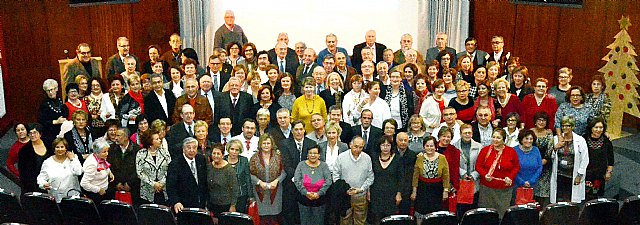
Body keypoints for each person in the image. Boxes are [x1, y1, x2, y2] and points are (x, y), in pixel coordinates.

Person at [476, 129, 520, 217]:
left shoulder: (511, 151)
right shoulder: (485, 150)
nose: (495, 140)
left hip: (504, 189)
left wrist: (510, 177)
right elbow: (478, 166)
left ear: (504, 140)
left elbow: (516, 167)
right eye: (494, 137)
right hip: (487, 189)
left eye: (498, 138)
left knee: (502, 214)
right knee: (486, 214)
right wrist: (485, 175)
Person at [331, 137, 375, 225]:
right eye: (356, 146)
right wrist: (344, 189)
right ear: (350, 145)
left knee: (360, 221)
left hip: (361, 196)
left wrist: (362, 189)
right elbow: (335, 175)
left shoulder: (367, 158)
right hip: (345, 196)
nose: (358, 149)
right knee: (345, 220)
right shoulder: (341, 157)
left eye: (361, 147)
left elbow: (370, 177)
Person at [550, 116, 589, 203]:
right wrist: (556, 147)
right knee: (558, 199)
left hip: (572, 175)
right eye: (563, 126)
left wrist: (579, 175)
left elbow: (585, 159)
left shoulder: (580, 140)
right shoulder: (556, 139)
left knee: (570, 200)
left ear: (572, 127)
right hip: (559, 174)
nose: (565, 128)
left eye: (568, 126)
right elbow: (551, 156)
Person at [411, 136, 449, 223]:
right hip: (422, 189)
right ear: (424, 147)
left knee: (435, 215)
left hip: (437, 190)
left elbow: (446, 176)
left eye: (431, 146)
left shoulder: (442, 158)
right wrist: (414, 191)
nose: (429, 148)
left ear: (435, 147)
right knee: (421, 213)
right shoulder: (419, 158)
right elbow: (415, 176)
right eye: (427, 146)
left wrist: (445, 191)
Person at [250, 134, 286, 223]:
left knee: (274, 218)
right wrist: (259, 182)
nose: (266, 145)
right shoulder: (254, 158)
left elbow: (284, 172)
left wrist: (277, 181)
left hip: (275, 191)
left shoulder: (278, 157)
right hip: (259, 192)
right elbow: (250, 174)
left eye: (268, 143)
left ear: (272, 144)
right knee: (262, 218)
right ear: (260, 144)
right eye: (264, 143)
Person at [167, 137, 209, 213]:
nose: (192, 150)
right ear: (183, 149)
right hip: (183, 205)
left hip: (200, 204)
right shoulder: (175, 164)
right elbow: (171, 186)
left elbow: (204, 182)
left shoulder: (201, 159)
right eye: (189, 148)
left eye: (194, 148)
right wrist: (176, 202)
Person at [294, 145, 333, 225]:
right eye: (310, 153)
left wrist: (319, 193)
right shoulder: (301, 165)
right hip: (303, 199)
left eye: (315, 153)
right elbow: (297, 180)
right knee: (305, 222)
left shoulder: (324, 166)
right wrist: (305, 192)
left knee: (318, 222)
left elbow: (328, 180)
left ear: (319, 155)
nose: (312, 155)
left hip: (319, 200)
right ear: (307, 155)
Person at [369, 136, 403, 224]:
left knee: (389, 220)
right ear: (379, 146)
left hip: (391, 194)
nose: (385, 147)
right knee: (376, 219)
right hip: (376, 193)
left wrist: (399, 193)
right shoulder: (373, 158)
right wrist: (368, 191)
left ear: (391, 146)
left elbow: (401, 178)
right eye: (383, 145)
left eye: (388, 145)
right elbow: (369, 175)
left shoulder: (397, 159)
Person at [37, 138, 83, 202]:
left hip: (73, 197)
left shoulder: (73, 158)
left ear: (66, 148)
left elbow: (79, 172)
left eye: (62, 147)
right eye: (57, 147)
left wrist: (72, 159)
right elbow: (41, 179)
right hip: (55, 198)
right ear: (54, 149)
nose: (60, 149)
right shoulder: (47, 162)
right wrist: (44, 184)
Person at [453, 124, 483, 215]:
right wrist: (463, 173)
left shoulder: (479, 147)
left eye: (469, 133)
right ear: (460, 134)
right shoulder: (454, 147)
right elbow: (452, 165)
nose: (467, 135)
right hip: (460, 183)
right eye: (465, 133)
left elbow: (481, 164)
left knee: (473, 212)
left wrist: (474, 175)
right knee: (461, 211)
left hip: (475, 184)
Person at [136, 129, 171, 205]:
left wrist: (161, 183)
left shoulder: (164, 152)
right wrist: (153, 184)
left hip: (163, 189)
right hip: (147, 191)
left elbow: (170, 169)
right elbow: (140, 172)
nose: (160, 140)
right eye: (157, 139)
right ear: (150, 141)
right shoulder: (141, 154)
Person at [108, 128, 141, 205]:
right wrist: (117, 183)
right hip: (115, 186)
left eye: (118, 135)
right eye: (115, 135)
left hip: (133, 187)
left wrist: (129, 183)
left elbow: (138, 169)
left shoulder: (137, 150)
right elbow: (109, 166)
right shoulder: (111, 149)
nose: (116, 138)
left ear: (126, 137)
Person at [584, 118, 614, 200]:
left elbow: (611, 159)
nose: (598, 130)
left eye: (601, 127)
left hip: (600, 174)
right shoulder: (584, 139)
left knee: (596, 196)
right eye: (596, 127)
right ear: (591, 128)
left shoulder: (607, 141)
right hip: (586, 173)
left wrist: (608, 172)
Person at [19, 123, 53, 193]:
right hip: (34, 185)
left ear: (40, 134)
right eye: (30, 133)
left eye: (35, 132)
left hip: (52, 180)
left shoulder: (49, 144)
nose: (32, 135)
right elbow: (24, 174)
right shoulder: (24, 151)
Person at [207, 143, 239, 216]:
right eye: (214, 153)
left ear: (223, 155)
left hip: (225, 205)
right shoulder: (209, 167)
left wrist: (233, 205)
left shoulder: (229, 170)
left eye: (218, 153)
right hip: (212, 204)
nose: (215, 156)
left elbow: (235, 189)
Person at [531, 112, 554, 207]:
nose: (541, 122)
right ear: (535, 122)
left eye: (544, 120)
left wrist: (544, 160)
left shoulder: (549, 133)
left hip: (545, 165)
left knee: (542, 191)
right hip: (531, 165)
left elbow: (550, 149)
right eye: (539, 120)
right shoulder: (530, 132)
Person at [514, 130, 543, 199]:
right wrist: (522, 182)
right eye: (526, 138)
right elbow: (512, 168)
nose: (529, 141)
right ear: (521, 139)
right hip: (517, 184)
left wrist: (531, 181)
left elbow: (540, 167)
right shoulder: (514, 150)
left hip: (533, 184)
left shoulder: (536, 150)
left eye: (531, 139)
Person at [39, 80, 69, 146]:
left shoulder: (60, 100)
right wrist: (56, 121)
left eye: (52, 89)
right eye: (48, 90)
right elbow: (41, 121)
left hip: (63, 131)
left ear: (56, 89)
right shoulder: (44, 104)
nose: (50, 92)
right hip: (50, 134)